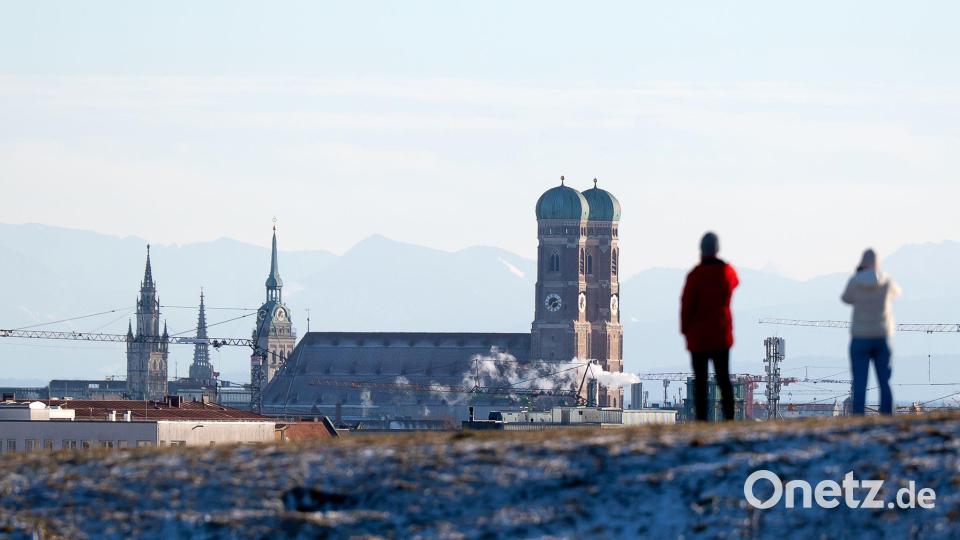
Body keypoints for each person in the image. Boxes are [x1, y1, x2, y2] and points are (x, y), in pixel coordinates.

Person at [681, 232, 740, 421]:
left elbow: (686, 305)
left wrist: (685, 330)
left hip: (698, 336)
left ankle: (701, 419)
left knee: (700, 380)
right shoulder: (726, 271)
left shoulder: (695, 275)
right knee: (723, 378)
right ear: (717, 248)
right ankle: (729, 418)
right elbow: (735, 282)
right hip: (721, 334)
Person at [841, 249, 901, 415]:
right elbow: (897, 293)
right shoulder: (886, 280)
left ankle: (858, 415)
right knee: (884, 380)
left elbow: (846, 298)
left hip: (860, 336)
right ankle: (887, 414)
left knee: (860, 380)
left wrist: (858, 275)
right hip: (882, 335)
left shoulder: (855, 281)